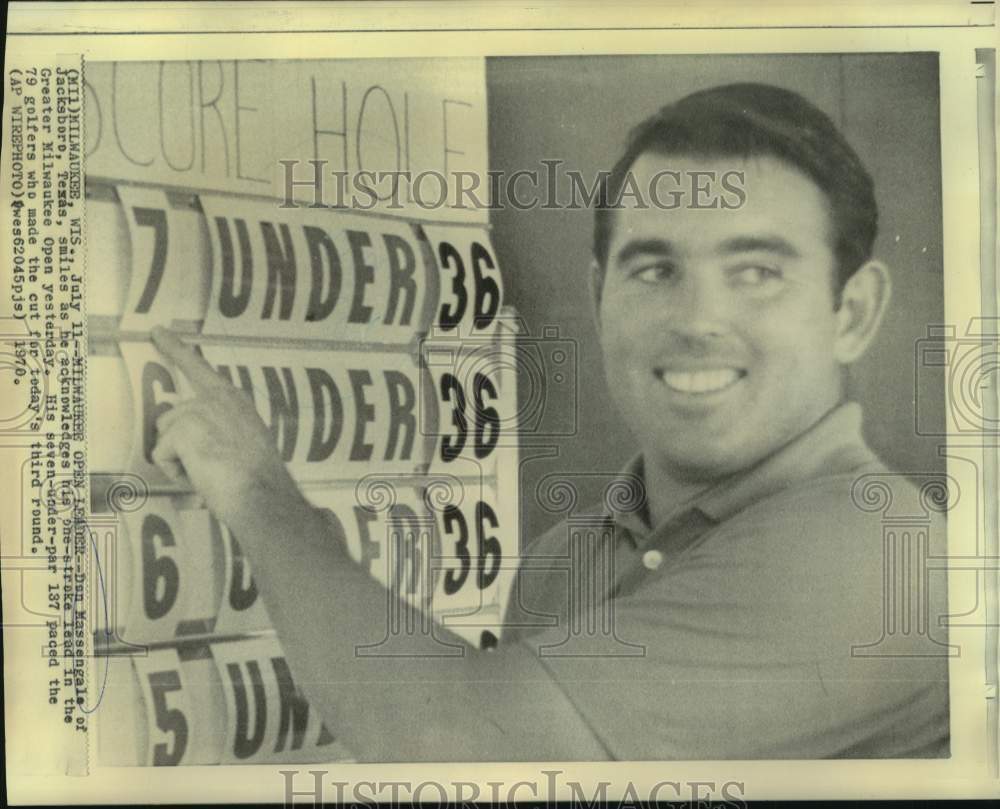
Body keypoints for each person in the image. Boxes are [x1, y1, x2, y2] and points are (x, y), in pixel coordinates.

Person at [149, 82, 950, 761]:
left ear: (852, 311)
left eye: (756, 272)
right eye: (656, 268)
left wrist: (258, 492)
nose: (699, 318)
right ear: (601, 295)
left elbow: (460, 745)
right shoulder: (561, 560)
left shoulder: (881, 554)